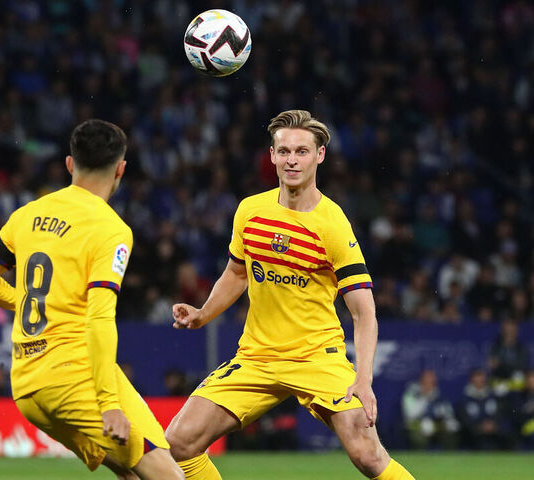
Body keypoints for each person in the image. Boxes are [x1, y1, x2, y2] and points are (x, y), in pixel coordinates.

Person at [166, 110, 415, 480]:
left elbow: (364, 313)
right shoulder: (250, 211)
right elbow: (237, 273)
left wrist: (363, 379)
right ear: (271, 156)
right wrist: (203, 314)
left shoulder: (332, 225)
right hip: (257, 356)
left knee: (367, 456)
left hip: (317, 356)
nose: (292, 160)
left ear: (320, 156)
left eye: (301, 151)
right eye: (284, 152)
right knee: (178, 443)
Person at [0, 119, 184, 480]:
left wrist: (26, 303)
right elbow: (99, 317)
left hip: (27, 386)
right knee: (165, 473)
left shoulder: (27, 214)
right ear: (121, 169)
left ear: (69, 163)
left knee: (131, 472)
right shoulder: (109, 229)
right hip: (74, 376)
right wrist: (108, 404)